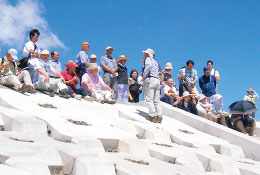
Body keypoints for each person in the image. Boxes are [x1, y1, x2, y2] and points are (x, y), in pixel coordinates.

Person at [143, 48, 162, 123]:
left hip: (151, 79)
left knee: (149, 99)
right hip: (157, 79)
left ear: (148, 54)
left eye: (145, 53)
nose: (144, 55)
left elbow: (148, 66)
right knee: (156, 100)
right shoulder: (155, 61)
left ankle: (152, 115)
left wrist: (144, 76)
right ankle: (159, 115)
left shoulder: (148, 59)